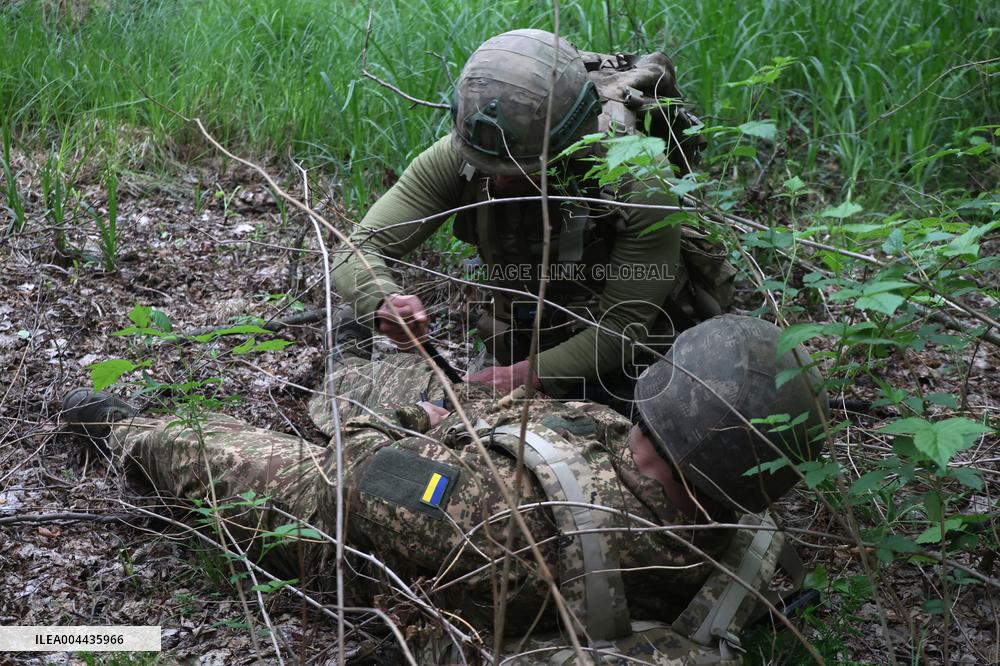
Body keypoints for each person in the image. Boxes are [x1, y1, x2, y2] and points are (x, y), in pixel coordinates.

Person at [61, 315, 827, 664]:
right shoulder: (756, 551)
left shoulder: (506, 514)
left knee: (239, 453)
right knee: (421, 384)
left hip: (388, 533)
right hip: (490, 482)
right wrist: (469, 412)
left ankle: (127, 435)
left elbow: (356, 475)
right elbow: (565, 423)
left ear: (660, 407)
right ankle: (355, 359)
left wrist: (414, 424)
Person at [331, 29, 732, 412]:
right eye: (488, 165)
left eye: (520, 168)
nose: (500, 178)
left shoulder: (639, 181)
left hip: (631, 360)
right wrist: (384, 301)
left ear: (571, 143)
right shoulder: (464, 155)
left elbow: (624, 327)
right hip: (520, 345)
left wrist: (531, 375)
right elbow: (357, 248)